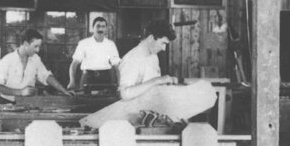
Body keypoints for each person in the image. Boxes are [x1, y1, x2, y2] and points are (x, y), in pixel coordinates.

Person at [78, 20, 216, 129]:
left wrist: (164, 84)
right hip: (131, 119)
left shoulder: (152, 56)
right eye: (163, 43)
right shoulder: (132, 59)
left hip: (150, 117)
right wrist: (156, 81)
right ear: (151, 38)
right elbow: (125, 94)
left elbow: (152, 89)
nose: (164, 48)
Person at [0, 28, 75, 99]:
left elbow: (46, 76)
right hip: (7, 104)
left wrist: (64, 91)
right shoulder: (7, 60)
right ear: (25, 44)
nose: (38, 50)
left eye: (39, 46)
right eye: (35, 46)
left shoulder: (35, 59)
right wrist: (20, 92)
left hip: (28, 103)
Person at [68, 17, 121, 91]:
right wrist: (72, 81)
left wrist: (119, 83)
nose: (100, 29)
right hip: (88, 78)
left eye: (103, 26)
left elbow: (117, 67)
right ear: (93, 28)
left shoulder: (110, 44)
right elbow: (74, 64)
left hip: (105, 78)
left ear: (106, 29)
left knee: (106, 102)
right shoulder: (84, 43)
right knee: (85, 101)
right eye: (98, 26)